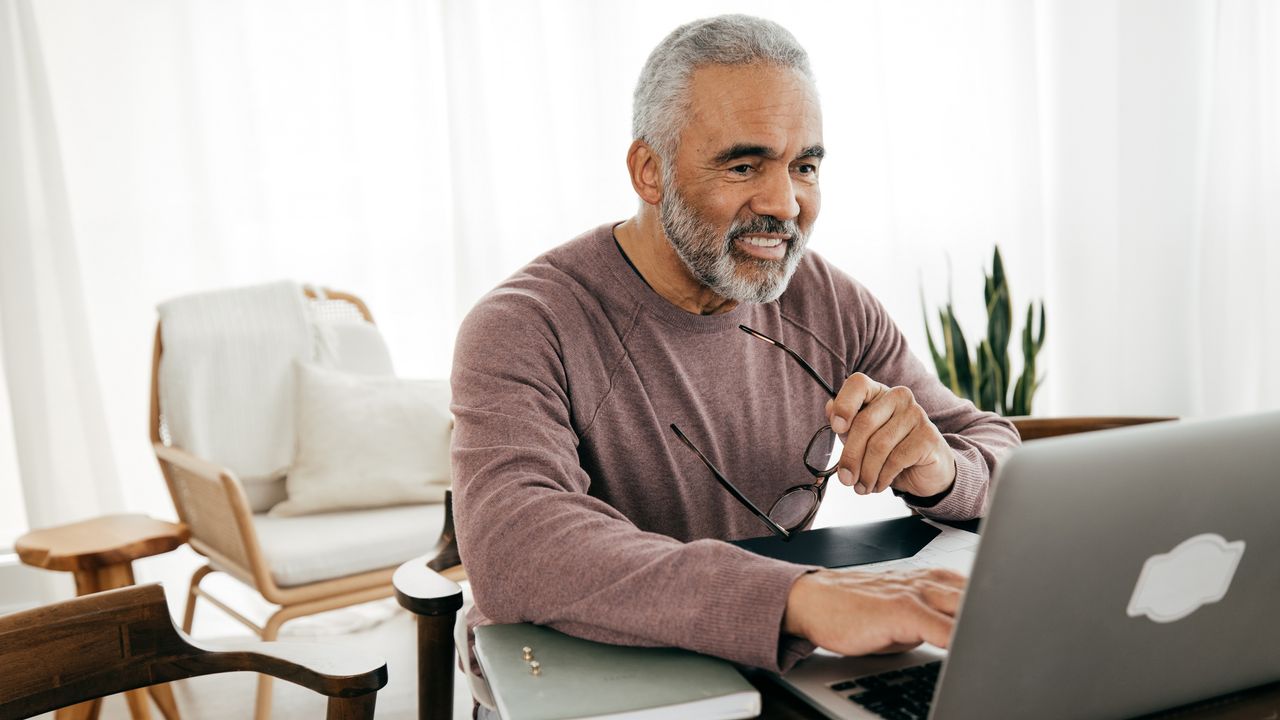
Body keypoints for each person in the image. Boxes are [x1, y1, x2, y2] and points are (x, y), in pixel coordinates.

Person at [450, 12, 1019, 696]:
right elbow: (518, 547)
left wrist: (941, 468)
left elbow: (993, 448)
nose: (784, 204)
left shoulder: (828, 300)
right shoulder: (523, 324)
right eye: (744, 164)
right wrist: (801, 601)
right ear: (649, 171)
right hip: (582, 682)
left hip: (762, 667)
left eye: (804, 166)